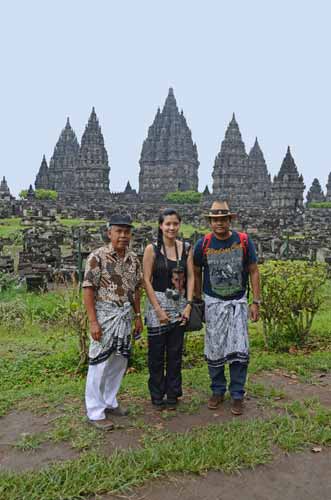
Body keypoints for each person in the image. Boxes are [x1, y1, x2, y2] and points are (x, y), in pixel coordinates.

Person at [193, 201, 260, 416]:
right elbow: (195, 270)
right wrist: (197, 299)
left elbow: (253, 270)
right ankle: (218, 390)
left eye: (223, 219)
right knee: (215, 348)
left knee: (239, 349)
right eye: (215, 220)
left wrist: (256, 301)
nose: (219, 223)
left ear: (230, 220)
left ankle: (238, 394)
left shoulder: (243, 241)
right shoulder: (203, 243)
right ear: (210, 222)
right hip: (213, 302)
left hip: (238, 302)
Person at [83, 214, 143, 430]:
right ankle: (95, 411)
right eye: (119, 231)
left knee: (119, 361)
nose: (123, 236)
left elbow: (136, 290)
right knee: (99, 362)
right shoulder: (97, 257)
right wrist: (93, 322)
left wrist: (137, 316)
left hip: (125, 316)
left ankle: (109, 401)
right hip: (104, 316)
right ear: (109, 233)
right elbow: (88, 289)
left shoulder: (134, 259)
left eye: (127, 232)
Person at [143, 208, 194, 410]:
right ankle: (157, 394)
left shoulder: (187, 248)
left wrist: (189, 305)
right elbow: (146, 280)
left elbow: (191, 278)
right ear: (161, 226)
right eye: (167, 224)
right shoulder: (152, 249)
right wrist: (157, 309)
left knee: (175, 352)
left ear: (179, 225)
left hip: (180, 305)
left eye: (175, 224)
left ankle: (173, 393)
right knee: (156, 353)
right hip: (158, 304)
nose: (171, 227)